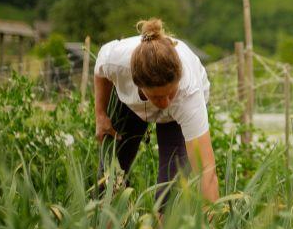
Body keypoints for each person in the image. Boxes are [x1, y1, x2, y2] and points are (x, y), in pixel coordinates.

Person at [93, 18, 219, 208]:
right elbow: (99, 69)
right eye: (158, 97)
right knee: (111, 176)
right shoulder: (118, 61)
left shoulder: (188, 93)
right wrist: (100, 115)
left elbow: (207, 174)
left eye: (170, 93)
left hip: (176, 115)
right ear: (139, 85)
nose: (165, 102)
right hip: (130, 105)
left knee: (171, 187)